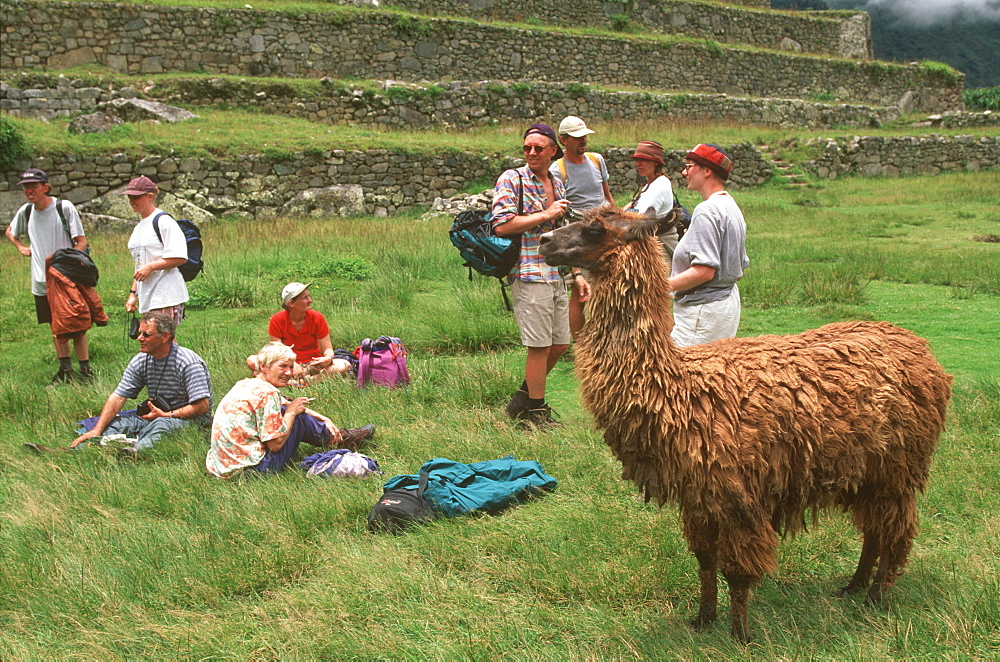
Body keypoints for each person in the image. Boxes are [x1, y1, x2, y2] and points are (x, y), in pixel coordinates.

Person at [492, 123, 577, 427]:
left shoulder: (557, 180)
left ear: (554, 151)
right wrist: (546, 215)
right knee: (539, 346)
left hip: (555, 273)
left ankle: (522, 399)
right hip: (528, 272)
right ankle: (536, 413)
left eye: (539, 148)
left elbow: (565, 231)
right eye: (527, 147)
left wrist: (576, 271)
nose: (531, 153)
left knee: (560, 344)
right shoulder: (511, 179)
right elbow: (501, 226)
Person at [206, 342, 375, 478]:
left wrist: (324, 418)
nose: (288, 373)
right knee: (297, 418)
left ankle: (336, 435)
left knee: (288, 410)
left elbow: (285, 403)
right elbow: (275, 446)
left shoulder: (245, 384)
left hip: (222, 468)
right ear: (264, 366)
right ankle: (339, 439)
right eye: (282, 367)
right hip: (253, 471)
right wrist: (292, 413)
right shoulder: (267, 393)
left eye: (290, 367)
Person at [65, 312, 213, 459]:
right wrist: (97, 429)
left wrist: (167, 415)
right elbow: (118, 397)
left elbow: (202, 406)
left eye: (146, 335)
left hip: (194, 420)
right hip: (157, 414)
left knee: (162, 425)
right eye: (138, 333)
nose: (139, 338)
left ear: (165, 337)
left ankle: (134, 453)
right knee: (118, 423)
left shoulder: (188, 363)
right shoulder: (141, 360)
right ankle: (75, 452)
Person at [5, 168, 95, 384]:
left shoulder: (63, 208)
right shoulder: (26, 212)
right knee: (55, 326)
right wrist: (21, 247)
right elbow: (10, 231)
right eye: (26, 187)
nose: (29, 191)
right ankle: (65, 370)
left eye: (33, 186)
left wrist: (70, 267)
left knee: (77, 324)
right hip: (41, 282)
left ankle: (85, 371)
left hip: (66, 281)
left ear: (45, 187)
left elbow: (80, 241)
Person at [668, 143, 749, 348]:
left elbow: (704, 271)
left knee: (685, 374)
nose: (684, 171)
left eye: (690, 165)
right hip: (725, 305)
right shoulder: (731, 206)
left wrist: (659, 287)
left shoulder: (707, 210)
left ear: (707, 170)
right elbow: (738, 271)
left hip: (703, 310)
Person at [549, 115, 613, 339]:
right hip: (582, 236)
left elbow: (606, 196)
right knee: (580, 289)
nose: (583, 141)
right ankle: (580, 344)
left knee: (607, 286)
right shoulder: (558, 170)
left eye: (584, 136)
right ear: (564, 140)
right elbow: (561, 213)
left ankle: (604, 337)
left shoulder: (597, 160)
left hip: (606, 233)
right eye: (577, 138)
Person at [247, 282, 353, 381]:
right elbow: (277, 352)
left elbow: (328, 348)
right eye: (305, 298)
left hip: (313, 363)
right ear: (291, 303)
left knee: (344, 365)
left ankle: (308, 381)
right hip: (287, 364)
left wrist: (328, 358)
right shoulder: (277, 320)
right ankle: (300, 379)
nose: (310, 300)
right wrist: (292, 364)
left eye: (308, 296)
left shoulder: (317, 318)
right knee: (252, 360)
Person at [123, 176, 188, 327]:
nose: (131, 202)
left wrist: (151, 267)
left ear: (150, 196)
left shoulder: (164, 221)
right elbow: (140, 265)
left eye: (136, 197)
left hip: (166, 294)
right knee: (154, 342)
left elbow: (180, 257)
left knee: (163, 340)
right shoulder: (139, 227)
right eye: (129, 197)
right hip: (148, 295)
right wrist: (133, 294)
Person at [623, 140, 680, 259]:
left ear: (656, 163)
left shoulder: (660, 186)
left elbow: (642, 221)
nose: (638, 164)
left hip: (660, 245)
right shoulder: (650, 183)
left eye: (643, 160)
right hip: (646, 239)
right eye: (637, 160)